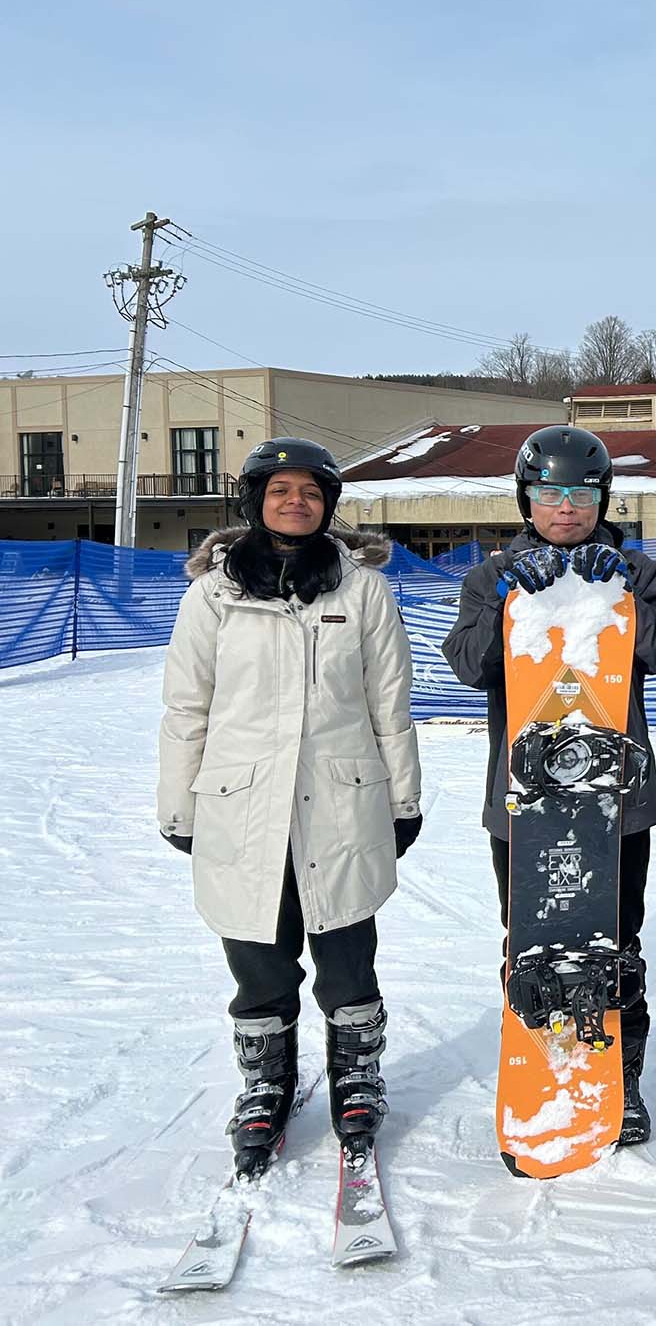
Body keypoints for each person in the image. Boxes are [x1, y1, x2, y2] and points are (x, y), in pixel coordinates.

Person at [158, 437, 421, 1178]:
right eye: (280, 491)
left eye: (309, 492)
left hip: (341, 800)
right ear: (255, 500)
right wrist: (181, 808)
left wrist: (403, 798)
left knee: (345, 953)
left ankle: (357, 1077)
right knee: (259, 960)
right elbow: (186, 708)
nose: (295, 502)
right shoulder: (213, 595)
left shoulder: (360, 589)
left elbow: (389, 704)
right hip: (242, 806)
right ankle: (265, 1086)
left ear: (328, 505)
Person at [442, 425, 656, 1147]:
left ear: (602, 498)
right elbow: (469, 663)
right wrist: (508, 605)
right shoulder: (489, 577)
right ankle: (542, 1065)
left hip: (618, 800)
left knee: (617, 941)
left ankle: (622, 1075)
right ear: (526, 499)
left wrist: (617, 591)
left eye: (581, 493)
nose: (566, 507)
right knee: (532, 941)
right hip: (523, 803)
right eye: (549, 493)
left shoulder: (635, 569)